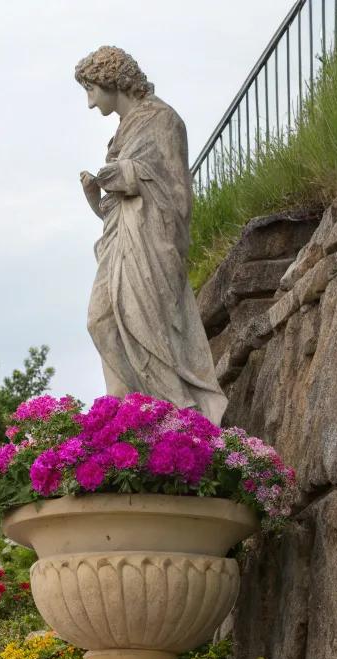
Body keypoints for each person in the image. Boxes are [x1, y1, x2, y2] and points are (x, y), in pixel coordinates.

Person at [76, 45, 227, 424]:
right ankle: (126, 415)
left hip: (152, 244)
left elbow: (173, 190)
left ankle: (176, 416)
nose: (91, 103)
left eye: (91, 90)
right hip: (122, 243)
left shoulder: (163, 120)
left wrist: (123, 174)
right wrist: (98, 196)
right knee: (101, 320)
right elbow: (117, 210)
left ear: (112, 81)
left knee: (148, 326)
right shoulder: (124, 131)